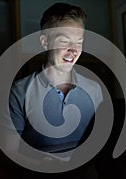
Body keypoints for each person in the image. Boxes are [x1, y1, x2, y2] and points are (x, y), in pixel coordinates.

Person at [10, 2, 102, 156]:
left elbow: (99, 143)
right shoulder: (19, 92)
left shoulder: (95, 89)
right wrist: (45, 166)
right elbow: (9, 155)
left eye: (79, 42)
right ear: (45, 42)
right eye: (64, 41)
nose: (73, 50)